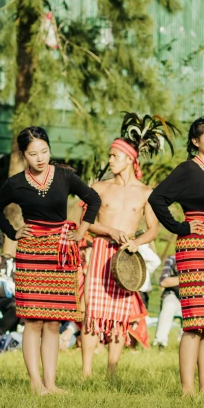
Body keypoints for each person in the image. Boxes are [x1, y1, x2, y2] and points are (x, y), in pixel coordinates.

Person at [0, 126, 101, 395]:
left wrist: (81, 232)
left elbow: (93, 199)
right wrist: (12, 232)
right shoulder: (15, 182)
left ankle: (51, 383)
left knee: (53, 321)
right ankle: (35, 383)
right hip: (30, 253)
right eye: (33, 153)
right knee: (33, 320)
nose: (40, 158)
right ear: (24, 155)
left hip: (60, 252)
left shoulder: (64, 176)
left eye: (44, 151)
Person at [149, 116, 204, 396]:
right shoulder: (187, 170)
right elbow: (157, 198)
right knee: (194, 320)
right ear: (195, 141)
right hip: (195, 246)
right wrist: (180, 226)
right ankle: (188, 388)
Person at [81, 114, 174, 377]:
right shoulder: (99, 187)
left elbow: (154, 230)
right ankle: (86, 372)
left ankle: (111, 372)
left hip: (127, 257)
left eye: (114, 156)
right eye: (110, 156)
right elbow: (85, 223)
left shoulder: (146, 193)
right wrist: (109, 230)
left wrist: (136, 242)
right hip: (101, 251)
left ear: (130, 159)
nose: (110, 160)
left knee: (120, 317)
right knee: (93, 313)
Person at [153, 255, 182, 348]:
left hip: (190, 298)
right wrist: (186, 278)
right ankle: (160, 342)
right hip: (172, 294)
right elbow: (163, 282)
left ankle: (185, 343)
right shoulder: (172, 259)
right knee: (169, 306)